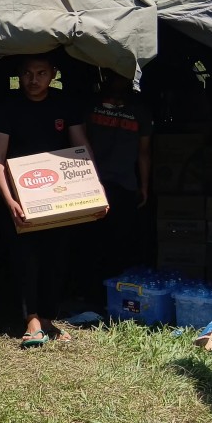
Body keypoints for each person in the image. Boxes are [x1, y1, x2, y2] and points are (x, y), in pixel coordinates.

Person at [0, 53, 96, 347]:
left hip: (59, 196)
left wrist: (94, 188)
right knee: (26, 259)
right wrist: (9, 199)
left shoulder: (65, 103)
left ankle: (48, 318)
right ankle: (31, 320)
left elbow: (80, 145)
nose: (33, 80)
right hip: (20, 196)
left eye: (40, 73)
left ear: (53, 74)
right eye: (27, 73)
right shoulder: (7, 106)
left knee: (56, 257)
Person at [84, 71, 152, 299]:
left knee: (100, 242)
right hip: (107, 184)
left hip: (103, 184)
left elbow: (144, 153)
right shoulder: (139, 110)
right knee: (113, 243)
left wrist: (143, 185)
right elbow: (144, 152)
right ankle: (109, 293)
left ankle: (99, 292)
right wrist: (143, 185)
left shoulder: (91, 106)